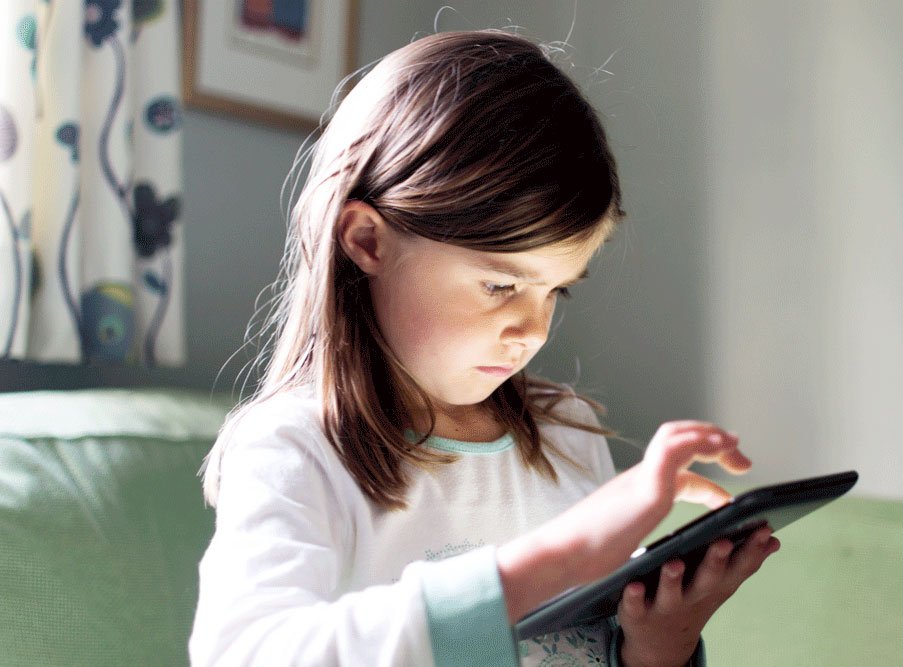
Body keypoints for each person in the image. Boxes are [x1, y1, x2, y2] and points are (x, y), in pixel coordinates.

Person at [188, 29, 780, 667]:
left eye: (556, 291)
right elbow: (243, 653)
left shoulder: (568, 436)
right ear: (367, 241)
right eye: (501, 285)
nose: (533, 328)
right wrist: (557, 558)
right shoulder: (296, 449)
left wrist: (658, 646)